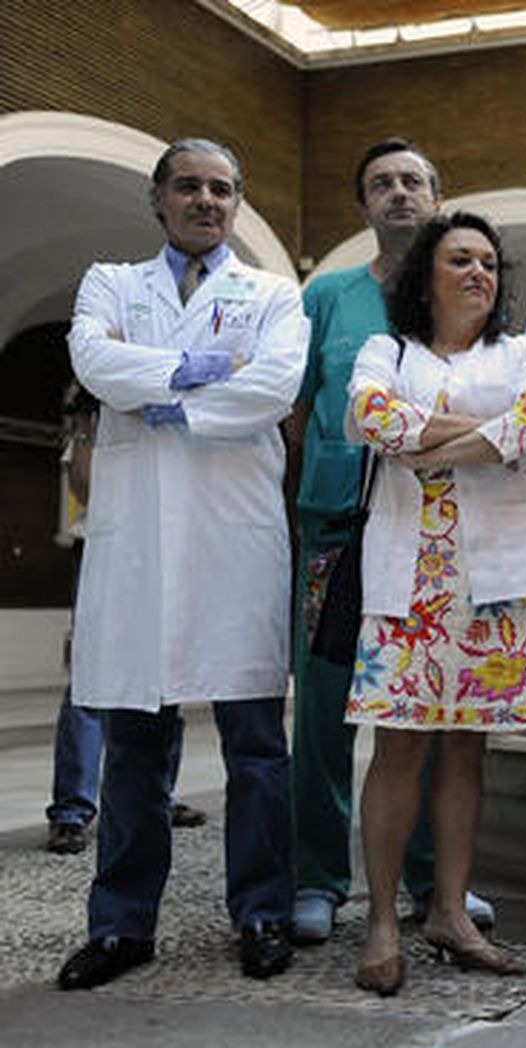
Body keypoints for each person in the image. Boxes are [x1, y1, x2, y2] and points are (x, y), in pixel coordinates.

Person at [57, 138, 307, 990]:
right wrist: (198, 371)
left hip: (234, 540)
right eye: (189, 186)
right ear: (158, 198)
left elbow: (273, 388)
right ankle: (121, 927)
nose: (206, 200)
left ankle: (263, 912)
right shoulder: (110, 283)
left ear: (236, 203)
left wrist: (161, 393)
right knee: (134, 748)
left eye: (222, 189)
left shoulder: (273, 294)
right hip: (138, 542)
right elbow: (93, 362)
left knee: (256, 747)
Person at [287, 138, 495, 945]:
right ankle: (317, 877)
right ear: (363, 204)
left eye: (413, 181)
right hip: (337, 526)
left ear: (437, 198)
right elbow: (298, 410)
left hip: (433, 528)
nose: (398, 193)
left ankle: (429, 881)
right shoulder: (328, 297)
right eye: (381, 183)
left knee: (425, 705)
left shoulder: (457, 296)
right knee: (325, 704)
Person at [344, 210, 526, 995]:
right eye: (461, 259)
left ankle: (450, 912)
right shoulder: (388, 351)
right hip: (409, 580)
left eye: (490, 263)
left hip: (494, 581)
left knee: (468, 749)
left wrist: (426, 444)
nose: (479, 273)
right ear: (425, 276)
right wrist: (487, 434)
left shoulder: (522, 352)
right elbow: (370, 416)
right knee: (398, 748)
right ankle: (382, 922)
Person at [46, 381, 205, 857]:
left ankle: (160, 794)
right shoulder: (95, 415)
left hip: (167, 546)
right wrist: (89, 424)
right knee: (91, 678)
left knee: (165, 676)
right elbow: (84, 485)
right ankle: (72, 809)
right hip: (107, 548)